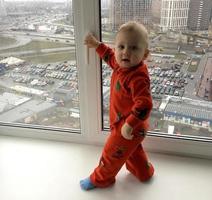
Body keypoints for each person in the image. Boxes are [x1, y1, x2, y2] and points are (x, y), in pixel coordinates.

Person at [80, 21, 154, 190]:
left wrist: (129, 124)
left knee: (111, 154)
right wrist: (96, 45)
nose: (126, 52)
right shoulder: (122, 65)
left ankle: (100, 179)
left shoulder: (137, 77)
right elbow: (109, 56)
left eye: (134, 48)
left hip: (128, 128)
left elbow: (145, 104)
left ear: (145, 54)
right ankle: (144, 172)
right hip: (131, 129)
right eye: (121, 46)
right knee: (133, 152)